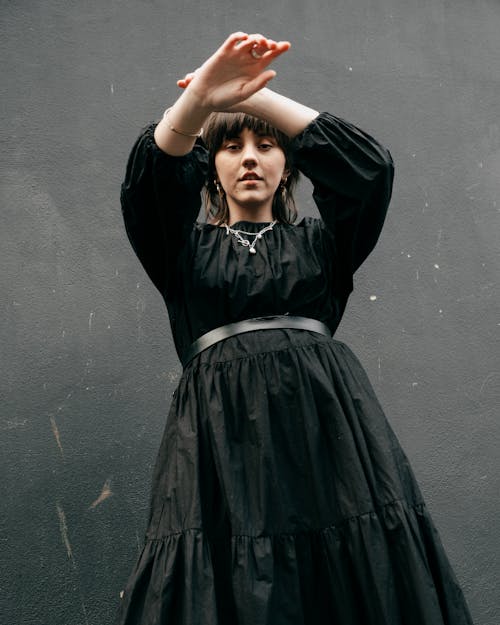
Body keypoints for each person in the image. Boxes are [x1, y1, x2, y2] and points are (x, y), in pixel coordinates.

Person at [117, 32, 473, 625]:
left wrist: (255, 99)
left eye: (265, 145)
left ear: (289, 167)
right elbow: (152, 176)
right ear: (212, 168)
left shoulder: (322, 244)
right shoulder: (181, 248)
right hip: (218, 444)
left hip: (329, 433)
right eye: (231, 147)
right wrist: (202, 98)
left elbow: (369, 170)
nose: (250, 156)